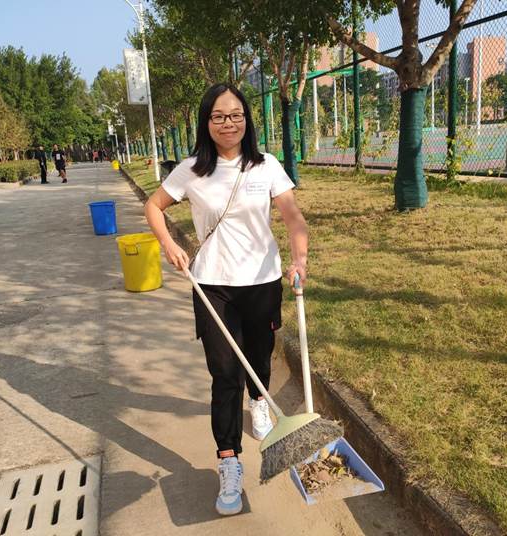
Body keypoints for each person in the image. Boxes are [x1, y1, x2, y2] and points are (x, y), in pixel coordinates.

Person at [144, 83, 308, 516]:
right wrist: (168, 245)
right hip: (212, 285)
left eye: (236, 115)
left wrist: (299, 258)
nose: (228, 123)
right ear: (207, 122)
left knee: (259, 359)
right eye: (218, 116)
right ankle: (229, 460)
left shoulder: (266, 165)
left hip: (262, 281)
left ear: (246, 120)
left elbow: (292, 215)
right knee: (224, 373)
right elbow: (154, 207)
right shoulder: (192, 169)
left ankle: (259, 401)